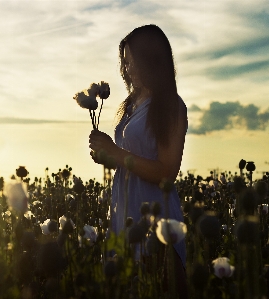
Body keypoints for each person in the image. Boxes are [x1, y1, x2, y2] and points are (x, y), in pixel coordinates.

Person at [88, 24, 188, 297]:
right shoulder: (131, 105)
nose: (127, 69)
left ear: (151, 60)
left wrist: (116, 153)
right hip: (125, 211)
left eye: (132, 61)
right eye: (125, 62)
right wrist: (108, 156)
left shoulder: (170, 105)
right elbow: (131, 158)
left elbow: (167, 172)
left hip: (156, 214)